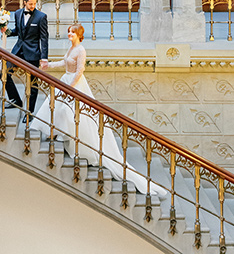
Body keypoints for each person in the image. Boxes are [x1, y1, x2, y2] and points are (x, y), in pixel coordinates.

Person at [32, 24, 166, 197]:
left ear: (79, 35)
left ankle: (75, 141)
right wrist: (48, 65)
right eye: (69, 32)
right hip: (66, 80)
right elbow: (64, 63)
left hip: (75, 84)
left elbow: (80, 71)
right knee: (57, 107)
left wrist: (70, 87)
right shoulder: (71, 48)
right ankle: (58, 133)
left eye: (72, 32)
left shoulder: (81, 50)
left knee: (71, 112)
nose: (69, 34)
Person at [1, 0, 48, 119]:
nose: (33, 6)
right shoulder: (17, 13)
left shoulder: (41, 17)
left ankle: (29, 113)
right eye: (31, 4)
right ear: (25, 2)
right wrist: (8, 31)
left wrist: (44, 58)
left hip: (33, 54)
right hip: (18, 51)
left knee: (32, 84)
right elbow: (18, 31)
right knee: (4, 74)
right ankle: (16, 100)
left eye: (34, 4)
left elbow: (44, 38)